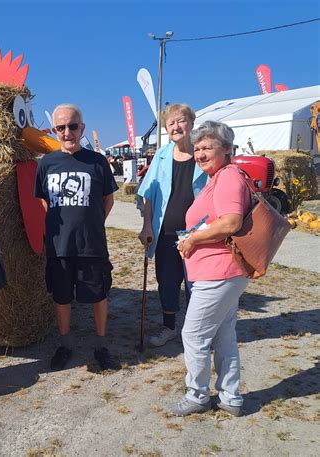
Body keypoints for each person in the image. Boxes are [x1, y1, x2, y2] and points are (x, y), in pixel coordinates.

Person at [167, 121, 251, 417]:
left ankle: (197, 395)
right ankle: (230, 397)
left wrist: (193, 238)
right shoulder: (217, 178)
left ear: (227, 150)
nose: (200, 153)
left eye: (207, 147)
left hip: (218, 272)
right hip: (222, 272)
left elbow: (231, 222)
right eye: (198, 148)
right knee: (223, 334)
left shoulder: (227, 177)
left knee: (193, 335)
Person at [34, 103, 119, 371]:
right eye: (61, 127)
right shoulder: (46, 164)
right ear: (55, 130)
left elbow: (108, 200)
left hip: (91, 245)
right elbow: (45, 203)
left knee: (98, 295)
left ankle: (101, 345)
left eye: (72, 126)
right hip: (59, 247)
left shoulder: (97, 162)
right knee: (61, 297)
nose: (67, 132)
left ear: (81, 127)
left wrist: (90, 224)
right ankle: (65, 344)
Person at [137, 104, 207, 346]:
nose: (176, 127)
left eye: (181, 121)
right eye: (171, 123)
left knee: (196, 283)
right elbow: (148, 193)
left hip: (198, 233)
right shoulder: (162, 155)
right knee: (167, 280)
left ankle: (196, 331)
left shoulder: (203, 154)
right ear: (166, 129)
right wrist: (147, 225)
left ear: (191, 123)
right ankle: (169, 328)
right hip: (166, 232)